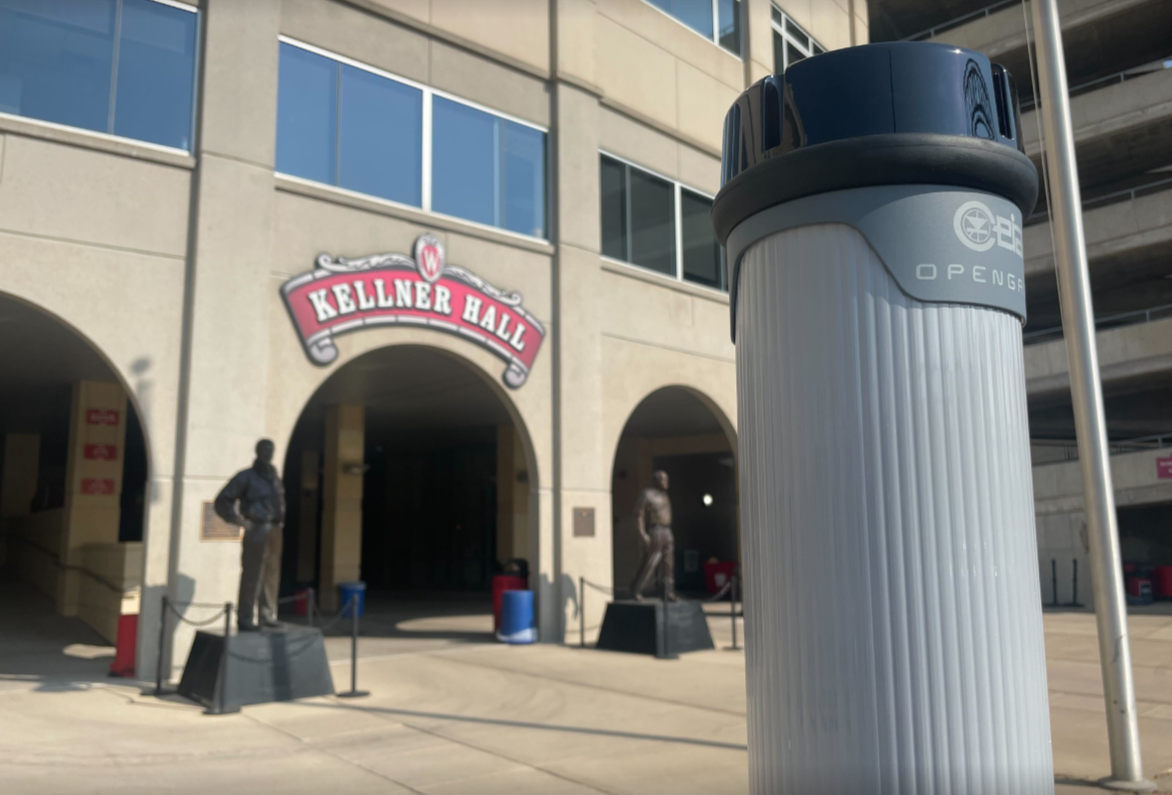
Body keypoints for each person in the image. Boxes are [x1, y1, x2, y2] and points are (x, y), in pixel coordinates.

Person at [215, 439, 286, 631]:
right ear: (257, 451)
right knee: (252, 574)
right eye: (264, 449)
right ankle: (245, 617)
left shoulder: (274, 477)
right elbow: (222, 500)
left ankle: (266, 614)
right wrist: (238, 520)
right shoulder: (246, 476)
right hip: (257, 529)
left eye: (271, 450)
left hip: (275, 530)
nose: (268, 453)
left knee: (271, 574)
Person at [628, 470, 678, 601]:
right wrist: (642, 533)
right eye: (663, 479)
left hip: (667, 531)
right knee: (651, 561)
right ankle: (636, 590)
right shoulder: (647, 494)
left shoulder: (665, 495)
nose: (666, 482)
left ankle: (668, 592)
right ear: (656, 481)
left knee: (668, 563)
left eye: (667, 479)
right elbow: (638, 515)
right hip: (655, 531)